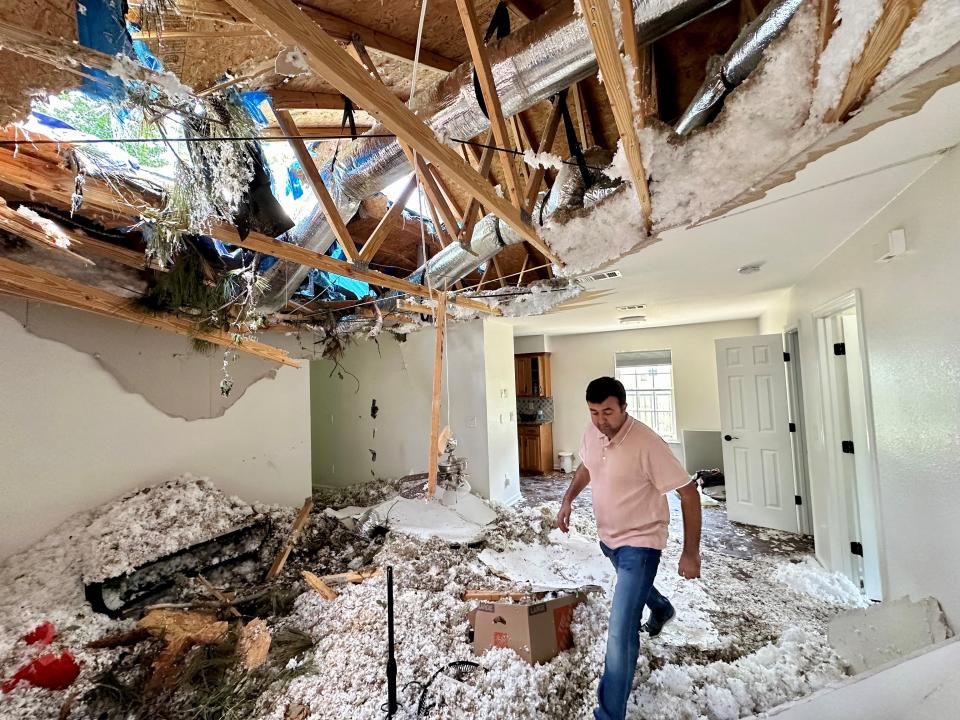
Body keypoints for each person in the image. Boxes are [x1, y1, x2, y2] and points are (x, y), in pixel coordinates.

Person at [556, 376, 702, 720]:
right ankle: (662, 608)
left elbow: (688, 492)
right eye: (594, 412)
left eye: (608, 412)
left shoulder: (647, 443)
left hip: (641, 543)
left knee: (620, 630)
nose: (601, 420)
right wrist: (567, 500)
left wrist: (691, 552)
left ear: (623, 407)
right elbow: (587, 467)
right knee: (631, 585)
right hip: (609, 538)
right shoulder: (592, 433)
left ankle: (608, 714)